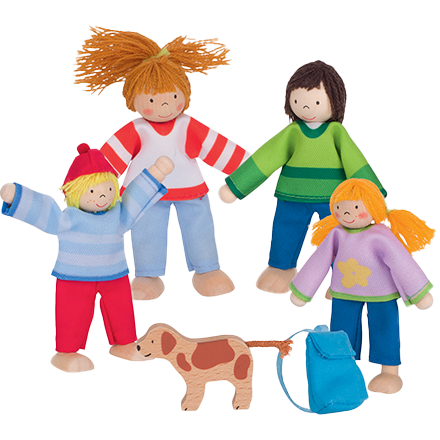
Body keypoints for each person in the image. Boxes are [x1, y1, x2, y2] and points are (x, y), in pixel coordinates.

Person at [74, 27, 250, 299]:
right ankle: (147, 275)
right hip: (145, 193)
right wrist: (89, 183)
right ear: (133, 99)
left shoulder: (187, 125)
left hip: (190, 188)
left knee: (200, 227)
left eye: (173, 97)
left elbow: (216, 147)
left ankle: (207, 269)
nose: (165, 106)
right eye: (152, 100)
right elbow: (108, 161)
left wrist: (250, 169)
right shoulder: (137, 129)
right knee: (145, 230)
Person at [1, 143, 172, 372]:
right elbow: (44, 209)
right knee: (72, 313)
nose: (102, 196)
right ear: (75, 192)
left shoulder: (118, 215)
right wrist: (17, 197)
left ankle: (125, 343)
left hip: (115, 274)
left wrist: (155, 173)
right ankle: (66, 352)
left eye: (108, 189)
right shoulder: (68, 219)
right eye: (92, 191)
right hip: (74, 276)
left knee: (121, 309)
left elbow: (134, 199)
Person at [219, 60, 386, 293]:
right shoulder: (293, 132)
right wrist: (237, 185)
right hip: (292, 194)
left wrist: (372, 193)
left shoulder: (336, 132)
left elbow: (354, 160)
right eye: (298, 101)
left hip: (335, 199)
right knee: (285, 230)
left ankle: (345, 278)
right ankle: (281, 268)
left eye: (316, 102)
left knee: (339, 236)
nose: (306, 107)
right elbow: (267, 157)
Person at [289, 178, 435, 394]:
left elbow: (401, 261)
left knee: (385, 326)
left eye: (356, 208)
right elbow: (319, 260)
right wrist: (304, 290)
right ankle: (343, 367)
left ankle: (390, 372)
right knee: (341, 329)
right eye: (339, 208)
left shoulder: (380, 235)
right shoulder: (337, 233)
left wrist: (418, 292)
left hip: (381, 291)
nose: (346, 213)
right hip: (344, 291)